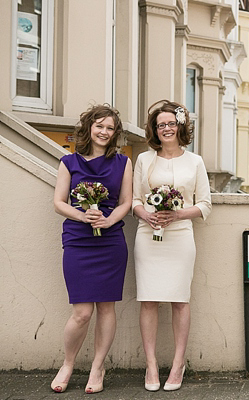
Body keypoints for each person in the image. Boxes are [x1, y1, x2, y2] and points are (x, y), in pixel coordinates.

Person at [51, 105, 133, 394]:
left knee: (106, 307)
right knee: (82, 312)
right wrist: (82, 215)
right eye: (99, 126)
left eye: (110, 128)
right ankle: (68, 363)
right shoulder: (68, 162)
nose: (104, 132)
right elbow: (59, 202)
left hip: (110, 241)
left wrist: (109, 219)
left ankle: (98, 367)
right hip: (77, 240)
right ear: (88, 128)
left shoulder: (123, 162)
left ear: (115, 134)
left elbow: (126, 201)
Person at [132, 100, 211, 392]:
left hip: (180, 237)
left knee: (180, 300)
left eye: (171, 123)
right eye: (160, 124)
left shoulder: (196, 161)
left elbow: (205, 204)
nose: (166, 128)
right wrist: (147, 215)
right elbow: (135, 200)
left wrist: (177, 214)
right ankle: (151, 365)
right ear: (155, 129)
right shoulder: (143, 159)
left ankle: (178, 364)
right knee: (149, 299)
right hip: (147, 235)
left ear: (181, 126)